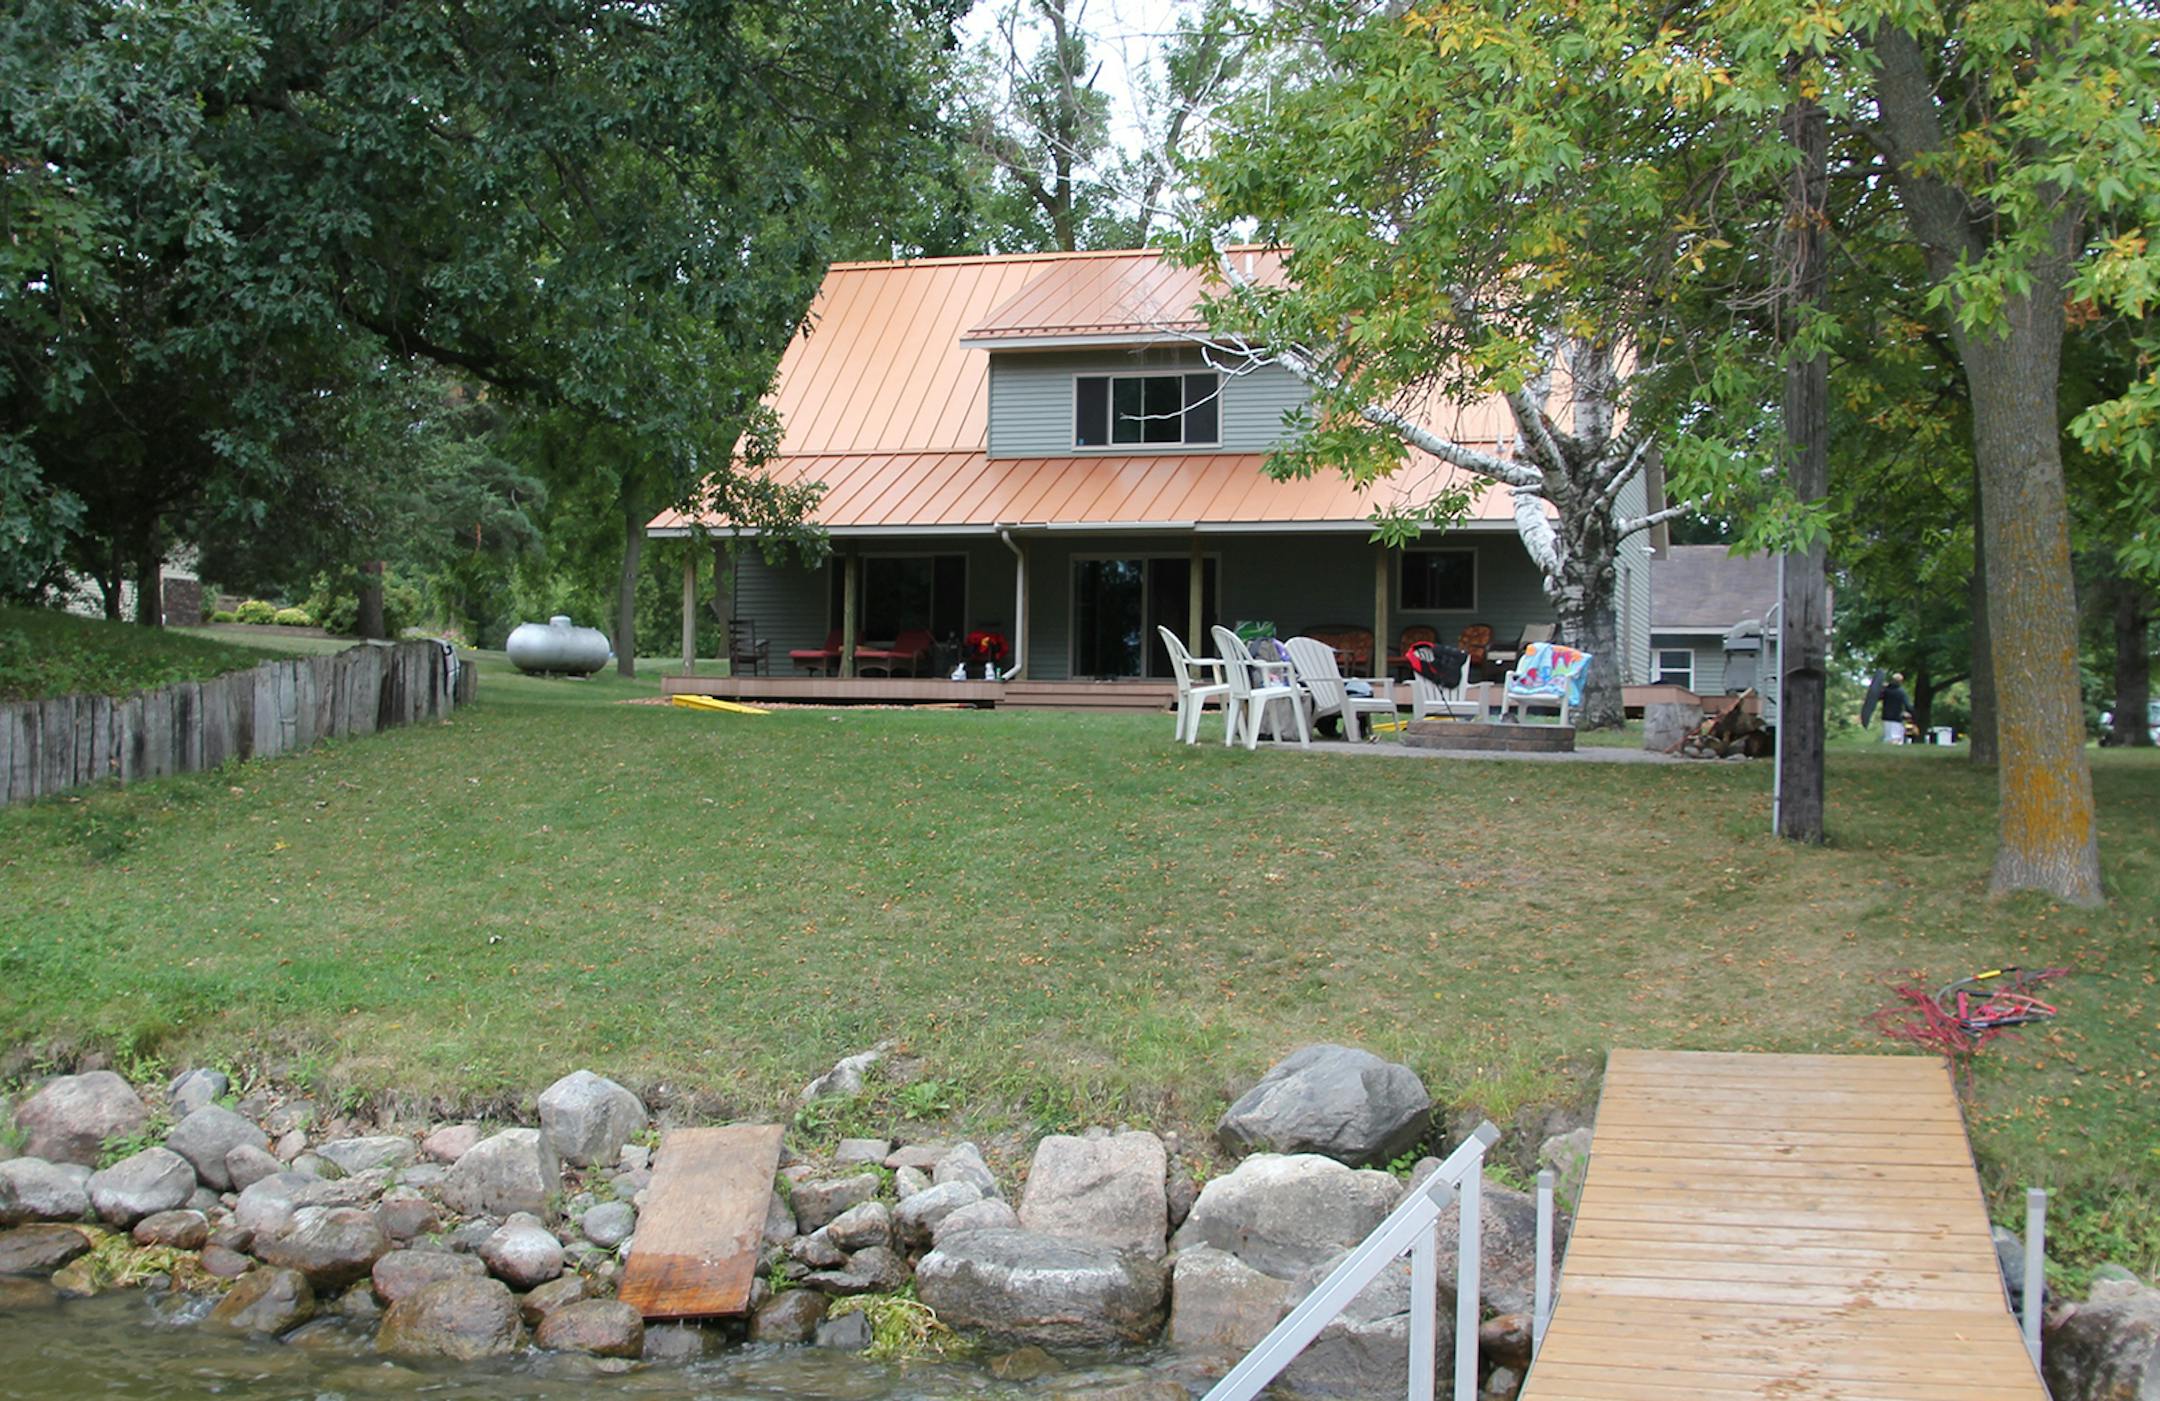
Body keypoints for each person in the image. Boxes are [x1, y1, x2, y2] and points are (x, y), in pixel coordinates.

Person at [1881, 672, 1911, 744]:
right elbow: (1907, 705)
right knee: (1896, 738)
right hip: (1896, 717)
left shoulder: (1886, 691)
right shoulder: (1901, 692)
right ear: (1900, 682)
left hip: (1886, 717)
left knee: (1887, 737)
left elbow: (1879, 696)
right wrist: (1912, 714)